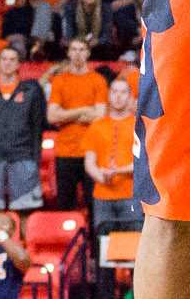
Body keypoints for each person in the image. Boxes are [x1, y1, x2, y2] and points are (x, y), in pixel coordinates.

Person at [0, 45, 47, 211]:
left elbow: (37, 129)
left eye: (12, 59)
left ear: (19, 64)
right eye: (4, 59)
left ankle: (23, 237)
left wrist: (35, 161)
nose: (8, 63)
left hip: (23, 156)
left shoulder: (31, 92)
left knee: (25, 209)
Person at [44, 38, 109, 209]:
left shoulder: (98, 80)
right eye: (74, 49)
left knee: (93, 203)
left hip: (92, 152)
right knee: (65, 203)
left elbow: (100, 116)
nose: (78, 54)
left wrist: (65, 115)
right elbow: (51, 116)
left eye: (81, 49)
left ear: (88, 53)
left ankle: (94, 237)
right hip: (65, 151)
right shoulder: (59, 80)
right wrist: (84, 111)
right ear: (68, 53)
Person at [83, 77, 143, 232]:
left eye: (123, 92)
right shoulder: (96, 126)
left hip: (131, 195)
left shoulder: (139, 125)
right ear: (109, 95)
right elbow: (90, 162)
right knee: (103, 244)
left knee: (132, 243)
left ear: (130, 97)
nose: (118, 96)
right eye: (114, 91)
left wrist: (117, 171)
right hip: (102, 195)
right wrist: (101, 176)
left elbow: (143, 162)